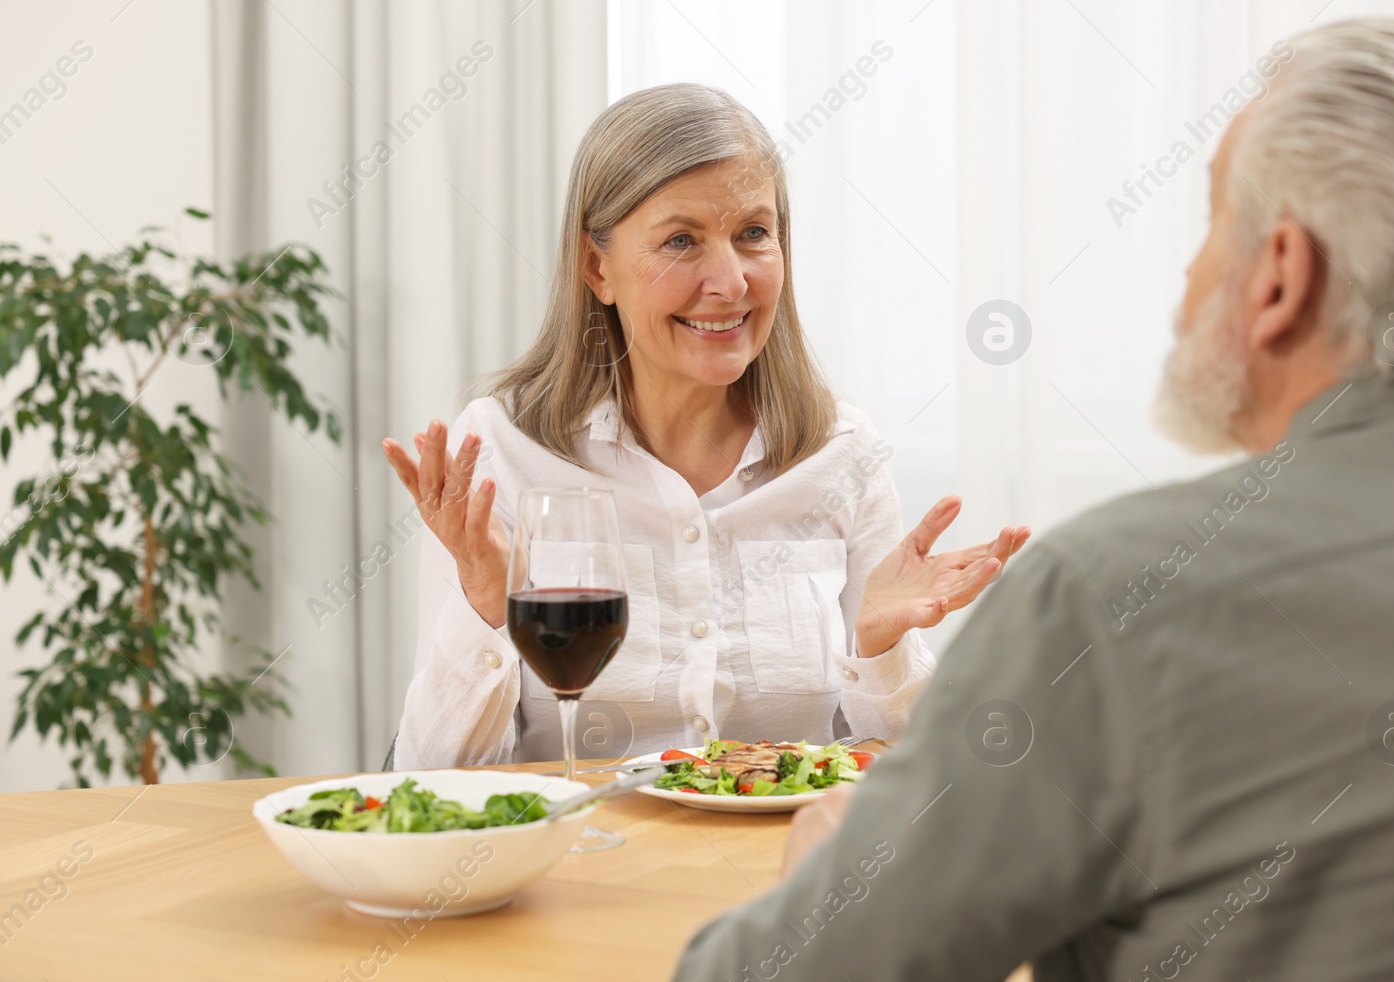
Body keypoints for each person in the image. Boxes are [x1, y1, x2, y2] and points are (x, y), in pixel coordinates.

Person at [660, 18, 1394, 982]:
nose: (1192, 272)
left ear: (1280, 273)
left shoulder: (1117, 598)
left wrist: (833, 851)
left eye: (1211, 221)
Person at [381, 83, 1029, 769]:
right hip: (579, 863)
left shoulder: (844, 453)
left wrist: (879, 646)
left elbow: (904, 779)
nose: (728, 282)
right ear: (596, 266)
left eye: (753, 233)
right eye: (682, 240)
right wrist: (484, 608)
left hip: (788, 870)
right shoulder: (502, 449)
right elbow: (432, 783)